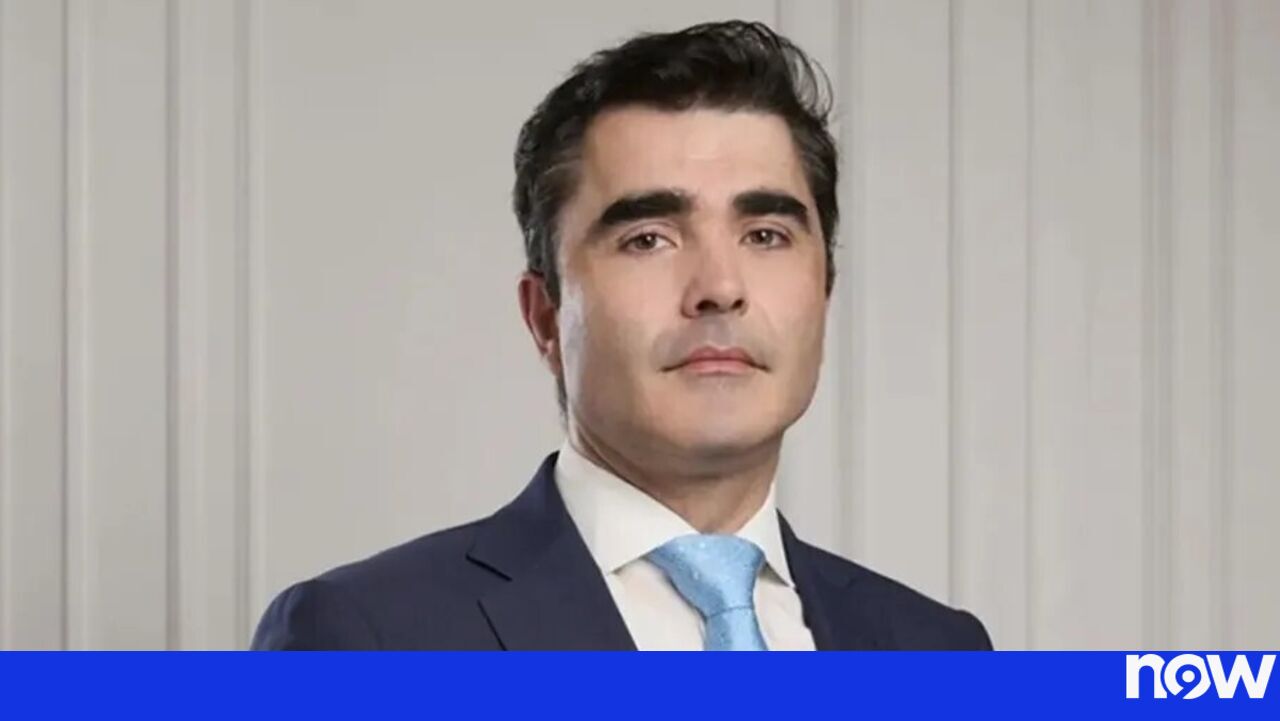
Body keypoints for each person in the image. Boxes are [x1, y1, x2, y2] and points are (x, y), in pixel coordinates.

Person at [251, 20, 992, 651]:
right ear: (545, 315)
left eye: (766, 234)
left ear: (823, 291)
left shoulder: (938, 649)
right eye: (648, 238)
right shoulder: (363, 636)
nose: (720, 287)